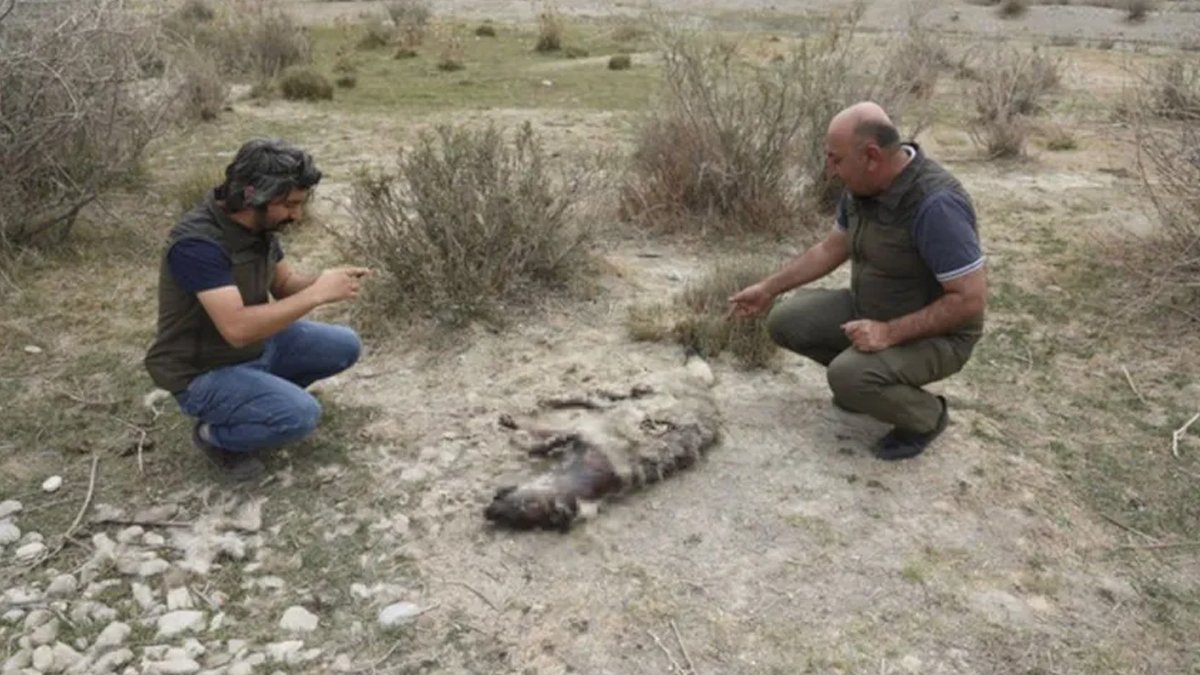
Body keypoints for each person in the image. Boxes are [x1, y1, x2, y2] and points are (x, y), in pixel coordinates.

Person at [729, 102, 987, 460]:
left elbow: (970, 300)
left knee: (849, 376)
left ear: (870, 155)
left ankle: (926, 416)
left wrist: (888, 333)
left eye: (836, 159)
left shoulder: (935, 204)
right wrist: (769, 288)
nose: (830, 170)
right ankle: (867, 386)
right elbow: (830, 249)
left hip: (938, 335)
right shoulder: (863, 187)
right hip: (871, 308)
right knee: (786, 321)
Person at [144, 138, 369, 480]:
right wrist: (317, 295)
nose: (296, 215)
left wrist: (325, 280)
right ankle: (215, 437)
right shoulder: (197, 244)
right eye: (290, 204)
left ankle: (256, 398)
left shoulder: (259, 226)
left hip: (253, 349)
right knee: (300, 415)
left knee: (345, 345)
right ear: (252, 195)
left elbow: (284, 284)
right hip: (202, 370)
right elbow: (237, 329)